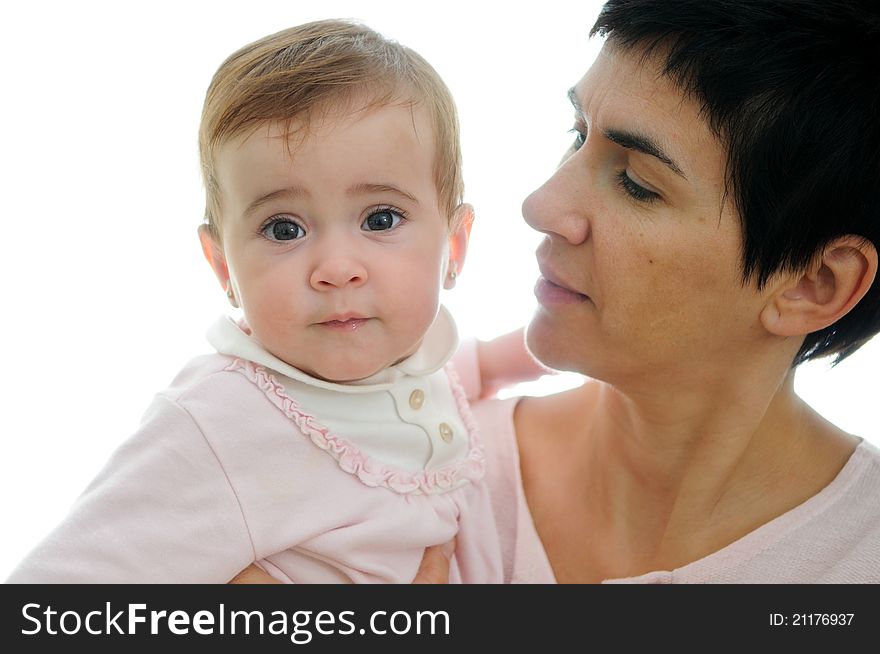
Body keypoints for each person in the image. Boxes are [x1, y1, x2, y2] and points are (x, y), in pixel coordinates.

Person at [236, 0, 880, 584]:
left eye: (636, 182)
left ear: (812, 284)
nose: (542, 204)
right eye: (578, 134)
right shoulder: (396, 478)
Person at [6, 19, 542, 584]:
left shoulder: (405, 361)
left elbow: (436, 379)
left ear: (454, 245)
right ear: (223, 267)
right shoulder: (219, 421)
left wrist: (524, 354)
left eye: (379, 218)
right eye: (284, 229)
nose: (336, 269)